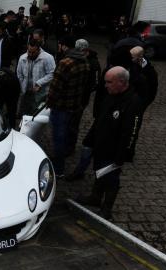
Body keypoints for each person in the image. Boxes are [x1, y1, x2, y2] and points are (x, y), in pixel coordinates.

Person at [75, 66, 143, 220]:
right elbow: (100, 119)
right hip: (101, 145)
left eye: (109, 82)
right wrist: (90, 139)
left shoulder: (133, 102)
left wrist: (122, 155)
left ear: (121, 82)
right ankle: (95, 197)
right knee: (99, 171)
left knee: (112, 178)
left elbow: (131, 132)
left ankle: (107, 208)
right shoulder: (111, 94)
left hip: (114, 151)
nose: (105, 85)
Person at [46, 35, 90, 179]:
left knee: (58, 138)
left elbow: (55, 87)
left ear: (64, 46)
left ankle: (58, 169)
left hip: (61, 107)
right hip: (74, 106)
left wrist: (49, 103)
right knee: (66, 135)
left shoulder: (65, 62)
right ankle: (62, 159)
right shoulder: (85, 62)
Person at [17, 39, 56, 116]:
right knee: (24, 114)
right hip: (26, 92)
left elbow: (52, 74)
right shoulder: (22, 58)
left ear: (39, 50)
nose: (30, 54)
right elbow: (19, 73)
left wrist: (39, 83)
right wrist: (22, 85)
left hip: (41, 94)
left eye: (33, 52)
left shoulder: (48, 58)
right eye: (29, 51)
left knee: (36, 115)